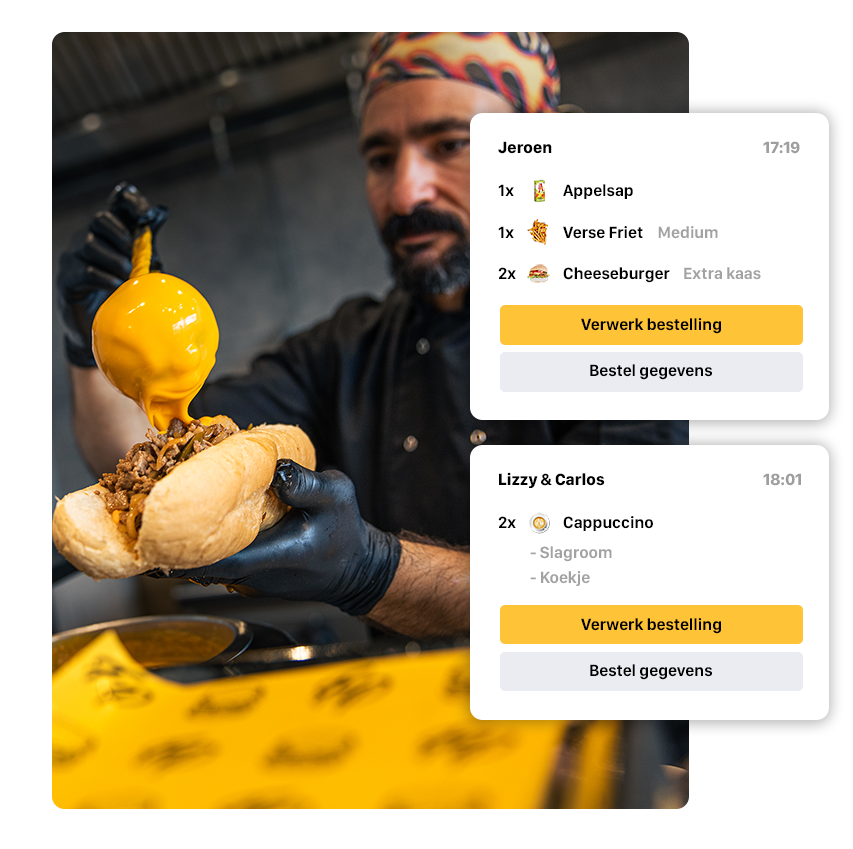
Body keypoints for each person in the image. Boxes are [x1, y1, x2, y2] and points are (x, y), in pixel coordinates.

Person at [58, 32, 688, 638]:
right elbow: (146, 453)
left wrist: (374, 570)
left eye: (450, 145)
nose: (406, 191)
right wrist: (96, 339)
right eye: (381, 158)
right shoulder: (347, 348)